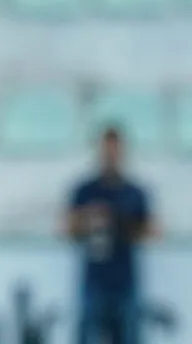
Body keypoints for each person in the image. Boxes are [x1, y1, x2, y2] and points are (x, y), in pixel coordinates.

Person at [66, 125, 158, 344]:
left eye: (114, 149)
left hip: (125, 279)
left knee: (128, 335)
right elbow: (68, 229)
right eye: (107, 149)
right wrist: (90, 219)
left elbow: (152, 231)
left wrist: (121, 222)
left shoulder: (134, 192)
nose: (110, 154)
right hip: (94, 279)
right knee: (88, 334)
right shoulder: (85, 190)